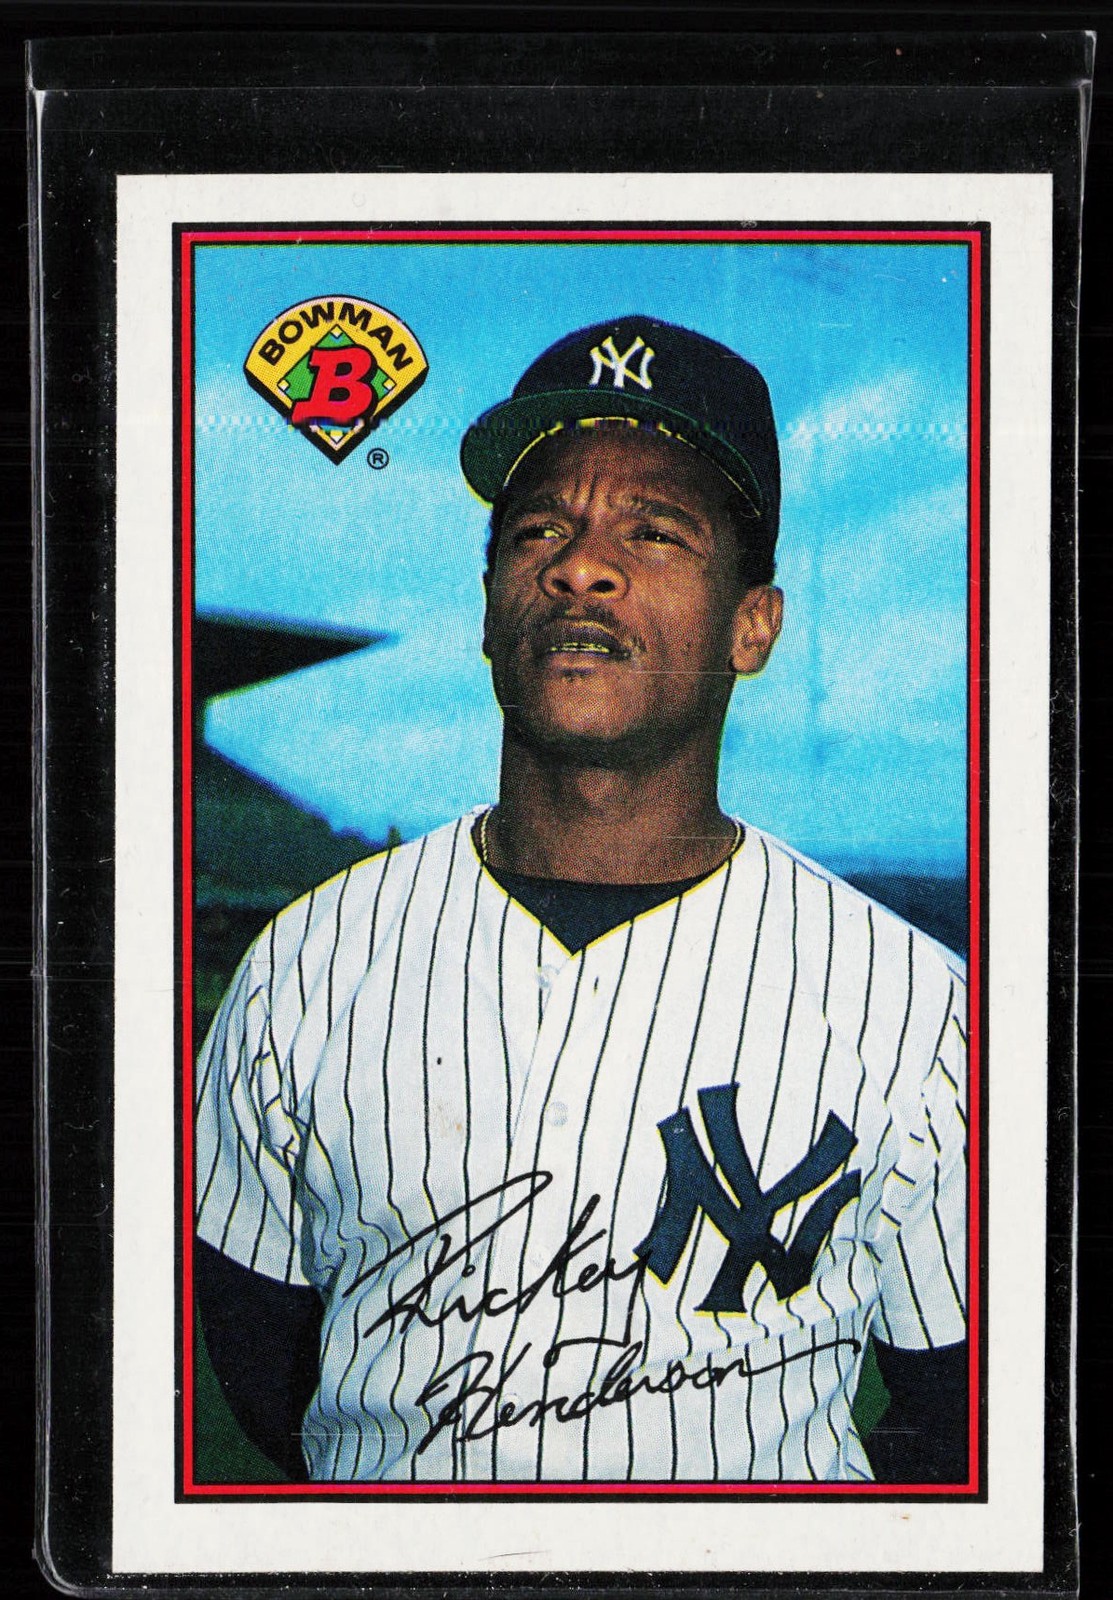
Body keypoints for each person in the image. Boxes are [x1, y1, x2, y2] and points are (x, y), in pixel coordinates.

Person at [195, 316, 968, 1485]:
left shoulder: (911, 1003)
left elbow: (961, 1422)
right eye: (540, 529)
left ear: (753, 625)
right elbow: (271, 1375)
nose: (580, 566)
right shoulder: (307, 960)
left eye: (654, 531)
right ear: (489, 605)